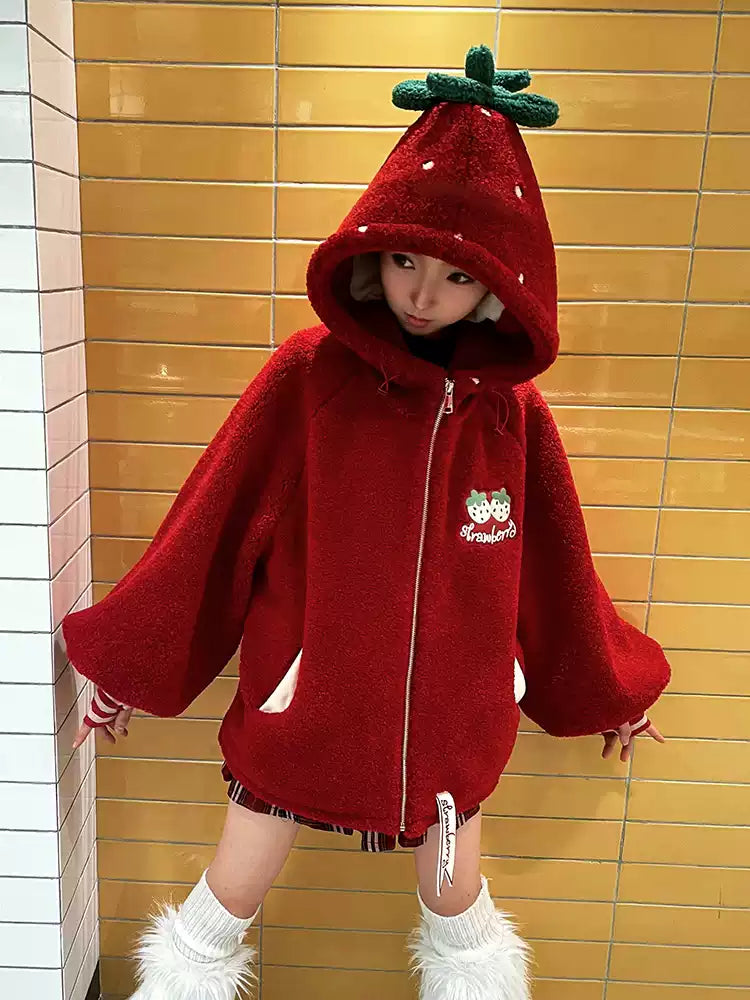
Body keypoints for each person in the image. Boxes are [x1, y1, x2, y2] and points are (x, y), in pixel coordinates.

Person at [63, 44, 670, 1000]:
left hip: (451, 728)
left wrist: (610, 688)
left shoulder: (510, 416)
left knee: (459, 912)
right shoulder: (312, 376)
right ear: (370, 253)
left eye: (457, 278)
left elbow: (556, 569)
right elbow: (216, 521)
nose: (422, 297)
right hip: (303, 709)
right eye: (403, 262)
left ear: (500, 284)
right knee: (226, 900)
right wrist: (133, 663)